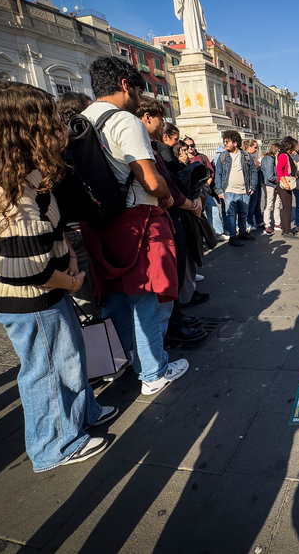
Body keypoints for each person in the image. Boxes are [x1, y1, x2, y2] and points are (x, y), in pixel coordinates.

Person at [0, 80, 117, 471]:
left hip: (28, 287)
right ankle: (54, 444)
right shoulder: (9, 189)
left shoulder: (4, 171)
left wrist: (66, 249)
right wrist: (71, 281)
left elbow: (43, 235)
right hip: (26, 297)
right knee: (48, 366)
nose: (59, 130)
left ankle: (81, 413)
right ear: (23, 131)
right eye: (50, 123)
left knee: (69, 353)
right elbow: (25, 271)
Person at [79, 56, 189, 397]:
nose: (141, 99)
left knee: (114, 297)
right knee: (151, 295)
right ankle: (153, 371)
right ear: (126, 85)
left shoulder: (80, 120)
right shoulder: (125, 122)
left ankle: (116, 359)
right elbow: (150, 179)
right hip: (138, 220)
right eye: (140, 90)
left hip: (99, 222)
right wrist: (168, 200)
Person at [137, 100, 209, 343]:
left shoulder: (155, 147)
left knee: (174, 270)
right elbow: (163, 184)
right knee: (168, 274)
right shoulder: (149, 147)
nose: (163, 125)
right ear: (147, 117)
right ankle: (172, 326)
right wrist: (187, 203)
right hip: (164, 214)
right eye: (160, 119)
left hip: (171, 211)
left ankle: (175, 317)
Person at [214, 130, 258, 247]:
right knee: (231, 214)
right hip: (229, 191)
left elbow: (253, 171)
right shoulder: (223, 156)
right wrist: (219, 190)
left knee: (243, 214)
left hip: (244, 190)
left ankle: (242, 233)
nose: (224, 144)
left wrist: (253, 186)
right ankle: (233, 237)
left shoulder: (246, 156)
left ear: (235, 143)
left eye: (226, 142)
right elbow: (217, 174)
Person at [275, 136, 298, 240]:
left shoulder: (284, 154)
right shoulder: (284, 155)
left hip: (284, 183)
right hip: (284, 184)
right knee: (287, 208)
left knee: (287, 207)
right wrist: (285, 183)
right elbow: (279, 170)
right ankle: (286, 231)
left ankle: (286, 229)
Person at [242, 139, 265, 231]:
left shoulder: (252, 156)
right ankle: (249, 222)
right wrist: (259, 165)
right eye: (255, 147)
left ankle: (257, 219)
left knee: (256, 202)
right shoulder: (246, 157)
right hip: (251, 182)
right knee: (251, 204)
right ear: (249, 147)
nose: (256, 149)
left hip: (256, 181)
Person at [260, 142, 280, 236]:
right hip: (269, 184)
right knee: (269, 204)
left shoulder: (270, 158)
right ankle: (267, 225)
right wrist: (278, 179)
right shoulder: (269, 159)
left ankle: (277, 222)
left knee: (276, 203)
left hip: (271, 183)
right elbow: (269, 176)